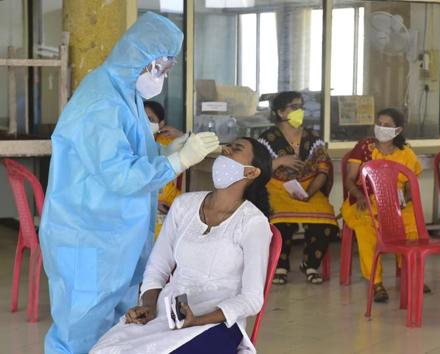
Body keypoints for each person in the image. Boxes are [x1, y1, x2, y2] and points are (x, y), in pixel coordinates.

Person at [39, 12, 220, 354]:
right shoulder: (101, 102)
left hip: (114, 237)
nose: (163, 76)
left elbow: (130, 151)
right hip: (88, 239)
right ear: (140, 58)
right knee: (80, 332)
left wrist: (172, 150)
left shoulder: (124, 91)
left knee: (115, 332)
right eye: (161, 68)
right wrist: (178, 161)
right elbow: (119, 174)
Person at [91, 137, 273, 353]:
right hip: (165, 313)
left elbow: (252, 299)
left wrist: (198, 320)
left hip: (215, 323)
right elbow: (157, 268)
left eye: (237, 149)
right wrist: (148, 307)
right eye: (228, 145)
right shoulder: (184, 205)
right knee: (103, 350)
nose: (226, 149)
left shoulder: (253, 223)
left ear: (251, 172)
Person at [340, 108, 423, 302]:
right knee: (366, 227)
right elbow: (350, 180)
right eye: (379, 123)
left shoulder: (406, 153)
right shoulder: (364, 148)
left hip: (396, 203)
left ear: (398, 130)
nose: (381, 128)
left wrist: (406, 200)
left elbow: (411, 184)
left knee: (412, 225)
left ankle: (409, 274)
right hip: (364, 201)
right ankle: (375, 282)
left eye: (387, 125)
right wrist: (360, 196)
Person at [258, 91, 339, 285]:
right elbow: (258, 168)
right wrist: (279, 161)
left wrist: (309, 192)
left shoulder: (313, 138)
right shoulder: (267, 138)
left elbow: (323, 169)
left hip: (309, 189)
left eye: (301, 106)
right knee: (279, 219)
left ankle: (310, 264)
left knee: (326, 219)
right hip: (277, 190)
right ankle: (281, 265)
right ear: (279, 112)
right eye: (294, 107)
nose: (299, 111)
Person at [144, 100, 184, 236]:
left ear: (161, 124)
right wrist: (152, 202)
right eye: (141, 117)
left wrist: (183, 136)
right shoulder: (128, 142)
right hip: (140, 209)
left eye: (150, 119)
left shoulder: (168, 143)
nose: (145, 122)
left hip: (165, 211)